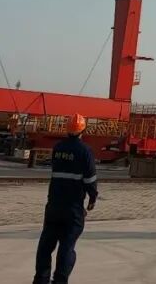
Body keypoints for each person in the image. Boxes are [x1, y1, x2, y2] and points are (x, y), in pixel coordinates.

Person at [34, 114, 97, 284]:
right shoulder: (85, 151)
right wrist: (92, 198)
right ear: (83, 130)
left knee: (46, 244)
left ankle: (40, 279)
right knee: (67, 247)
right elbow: (90, 179)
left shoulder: (58, 148)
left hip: (54, 205)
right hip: (73, 207)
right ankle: (60, 281)